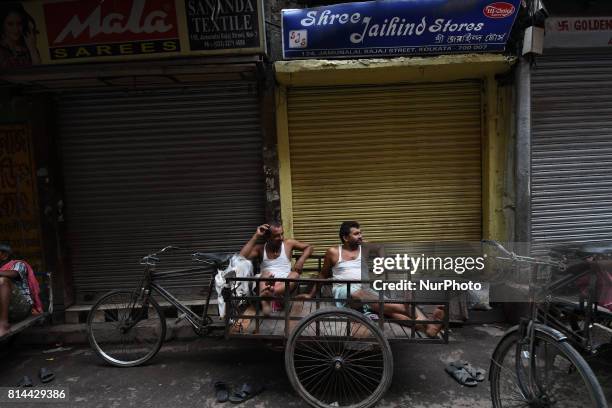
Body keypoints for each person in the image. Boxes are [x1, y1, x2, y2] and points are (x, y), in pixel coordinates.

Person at [300, 221, 444, 337]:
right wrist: (310, 294)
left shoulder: (365, 247)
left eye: (360, 232)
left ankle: (428, 328)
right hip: (345, 292)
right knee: (362, 294)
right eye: (356, 234)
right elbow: (323, 274)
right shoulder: (333, 252)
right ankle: (405, 307)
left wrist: (382, 261)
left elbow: (380, 247)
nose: (360, 236)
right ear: (345, 237)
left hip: (367, 292)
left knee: (392, 313)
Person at [240, 223, 313, 314]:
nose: (281, 238)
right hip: (266, 281)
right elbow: (241, 257)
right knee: (266, 273)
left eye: (282, 234)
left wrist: (301, 261)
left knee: (295, 274)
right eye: (276, 236)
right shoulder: (261, 248)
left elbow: (309, 247)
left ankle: (268, 295)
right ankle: (266, 298)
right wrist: (256, 235)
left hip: (285, 284)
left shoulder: (288, 244)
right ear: (268, 238)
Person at [0, 244, 40, 337]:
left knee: (2, 281)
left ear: (4, 255)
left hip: (21, 308)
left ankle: (3, 324)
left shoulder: (18, 264)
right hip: (5, 309)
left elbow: (14, 274)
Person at [0, 3, 41, 68]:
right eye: (10, 24)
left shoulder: (29, 48)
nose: (16, 29)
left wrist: (32, 48)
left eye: (19, 23)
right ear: (2, 25)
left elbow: (39, 74)